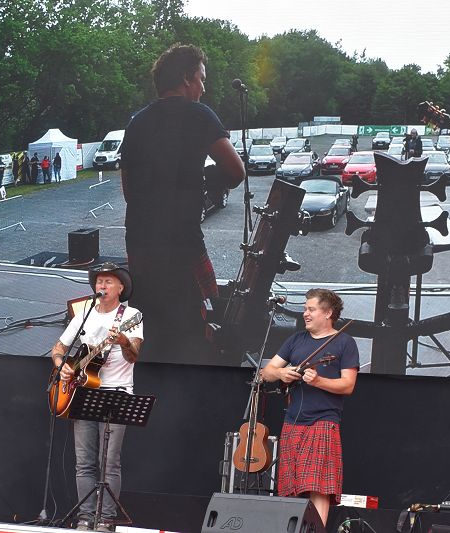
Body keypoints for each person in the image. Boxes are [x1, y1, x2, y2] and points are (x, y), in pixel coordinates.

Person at [119, 43, 244, 363]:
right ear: (186, 78)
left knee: (151, 325)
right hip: (181, 243)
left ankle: (150, 393)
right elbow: (236, 171)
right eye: (201, 79)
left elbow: (128, 189)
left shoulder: (136, 122)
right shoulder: (200, 115)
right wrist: (202, 184)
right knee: (191, 330)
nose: (203, 88)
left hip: (140, 243)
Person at [51, 263, 142, 532]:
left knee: (109, 462)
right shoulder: (84, 315)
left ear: (120, 288)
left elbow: (134, 354)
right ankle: (85, 518)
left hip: (116, 392)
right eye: (99, 281)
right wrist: (62, 366)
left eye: (108, 282)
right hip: (82, 393)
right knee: (84, 462)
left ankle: (106, 519)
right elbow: (59, 348)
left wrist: (124, 341)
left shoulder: (132, 315)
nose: (102, 286)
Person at [260, 288, 359, 527]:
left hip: (323, 420)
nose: (305, 313)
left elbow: (348, 385)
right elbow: (267, 371)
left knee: (319, 485)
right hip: (293, 419)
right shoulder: (296, 340)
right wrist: (282, 372)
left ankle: (318, 530)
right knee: (289, 484)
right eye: (305, 308)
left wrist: (318, 381)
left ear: (328, 313)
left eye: (311, 309)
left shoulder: (344, 343)